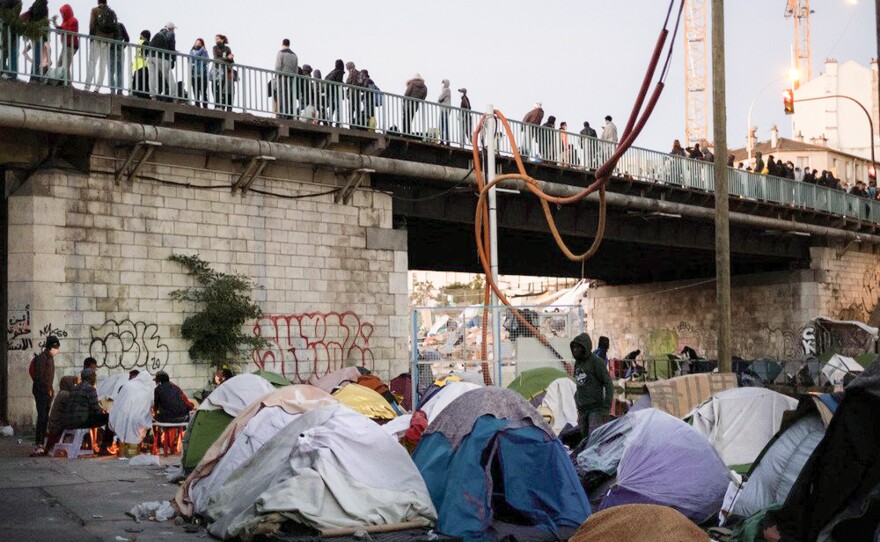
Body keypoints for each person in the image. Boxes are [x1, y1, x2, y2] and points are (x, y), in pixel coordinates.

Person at [62, 368, 114, 454]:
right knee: (110, 418)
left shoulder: (74, 388)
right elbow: (96, 409)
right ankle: (105, 447)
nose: (95, 379)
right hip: (80, 421)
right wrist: (104, 412)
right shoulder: (90, 388)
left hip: (68, 421)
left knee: (93, 417)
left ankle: (90, 444)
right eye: (94, 376)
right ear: (90, 377)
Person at [571, 332, 613, 439]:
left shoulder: (596, 362)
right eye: (573, 347)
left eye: (578, 347)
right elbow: (579, 385)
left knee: (593, 439)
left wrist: (606, 407)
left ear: (584, 348)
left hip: (595, 409)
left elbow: (608, 384)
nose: (575, 350)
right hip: (582, 410)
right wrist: (578, 403)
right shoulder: (577, 363)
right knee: (584, 439)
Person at [30, 335, 59, 456]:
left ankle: (42, 442)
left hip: (47, 392)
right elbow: (38, 378)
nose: (57, 350)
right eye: (56, 347)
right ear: (51, 347)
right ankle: (39, 443)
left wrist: (50, 390)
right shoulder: (42, 358)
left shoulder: (50, 358)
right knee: (42, 417)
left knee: (45, 417)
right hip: (41, 392)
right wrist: (46, 390)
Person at [83, 0, 116, 91]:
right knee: (103, 65)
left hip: (97, 39)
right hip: (107, 40)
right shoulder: (111, 12)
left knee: (92, 62)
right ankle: (97, 88)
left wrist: (91, 38)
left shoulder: (95, 10)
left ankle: (87, 86)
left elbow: (91, 25)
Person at [44, 375, 78, 453]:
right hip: (57, 425)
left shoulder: (62, 393)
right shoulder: (65, 394)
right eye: (73, 383)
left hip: (54, 424)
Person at [20, 0, 49, 82]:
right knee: (38, 57)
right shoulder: (43, 6)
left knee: (37, 56)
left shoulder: (37, 4)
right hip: (39, 34)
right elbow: (44, 22)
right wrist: (45, 38)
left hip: (35, 34)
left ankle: (33, 76)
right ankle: (35, 76)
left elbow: (30, 14)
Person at [148, 22, 177, 101]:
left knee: (152, 76)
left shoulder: (158, 33)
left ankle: (152, 95)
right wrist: (173, 60)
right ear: (172, 29)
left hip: (150, 56)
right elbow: (172, 48)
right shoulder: (171, 34)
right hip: (161, 57)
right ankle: (173, 95)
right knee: (169, 77)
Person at [50, 4, 78, 82]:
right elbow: (60, 31)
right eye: (61, 13)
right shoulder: (65, 22)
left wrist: (60, 28)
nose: (62, 14)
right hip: (66, 46)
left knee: (66, 65)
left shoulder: (73, 20)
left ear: (67, 12)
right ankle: (59, 81)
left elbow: (70, 31)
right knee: (60, 64)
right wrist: (55, 23)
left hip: (71, 45)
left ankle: (68, 83)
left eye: (63, 12)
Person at [274, 38, 297, 118]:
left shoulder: (280, 53)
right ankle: (287, 114)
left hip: (282, 77)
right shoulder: (294, 55)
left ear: (282, 44)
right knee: (288, 96)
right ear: (289, 44)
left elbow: (278, 66)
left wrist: (276, 76)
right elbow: (296, 69)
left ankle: (281, 115)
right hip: (291, 78)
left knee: (281, 95)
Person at [0, 0, 22, 79]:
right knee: (6, 49)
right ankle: (4, 71)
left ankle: (12, 73)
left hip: (13, 28)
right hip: (7, 27)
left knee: (13, 51)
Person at [211, 34, 233, 110]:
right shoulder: (215, 47)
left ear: (222, 39)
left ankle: (218, 106)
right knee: (214, 88)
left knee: (220, 88)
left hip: (224, 70)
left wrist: (229, 58)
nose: (216, 40)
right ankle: (217, 105)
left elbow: (232, 61)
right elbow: (216, 59)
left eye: (218, 39)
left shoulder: (227, 49)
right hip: (216, 69)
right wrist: (227, 58)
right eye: (215, 39)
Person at [108, 20, 128, 94]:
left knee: (111, 71)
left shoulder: (109, 27)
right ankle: (120, 90)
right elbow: (127, 39)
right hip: (120, 51)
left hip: (110, 51)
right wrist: (122, 47)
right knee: (120, 72)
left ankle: (112, 90)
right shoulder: (121, 25)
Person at [189, 38, 209, 107]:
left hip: (203, 74)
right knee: (195, 91)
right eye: (196, 43)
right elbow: (193, 57)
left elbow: (207, 61)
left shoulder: (204, 52)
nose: (197, 44)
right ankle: (197, 104)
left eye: (200, 43)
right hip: (194, 74)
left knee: (203, 91)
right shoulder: (192, 51)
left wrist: (204, 51)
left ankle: (205, 106)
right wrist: (201, 50)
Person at [131, 30, 150, 98]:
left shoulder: (138, 43)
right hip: (143, 65)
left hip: (136, 66)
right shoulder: (145, 43)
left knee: (136, 83)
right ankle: (145, 96)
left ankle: (134, 94)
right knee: (143, 84)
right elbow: (145, 54)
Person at [324, 59, 344, 125]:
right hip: (336, 92)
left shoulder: (333, 71)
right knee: (338, 107)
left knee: (331, 107)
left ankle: (330, 121)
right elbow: (338, 82)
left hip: (330, 92)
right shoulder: (339, 72)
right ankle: (338, 123)